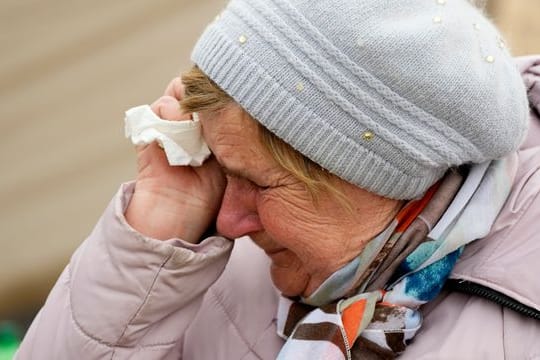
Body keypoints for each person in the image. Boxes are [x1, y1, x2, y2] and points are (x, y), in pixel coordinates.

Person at [16, 0, 540, 359]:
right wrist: (158, 225)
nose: (228, 221)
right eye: (224, 168)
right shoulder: (205, 263)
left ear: (381, 179)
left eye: (260, 184)